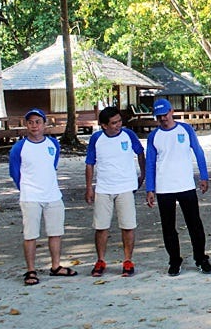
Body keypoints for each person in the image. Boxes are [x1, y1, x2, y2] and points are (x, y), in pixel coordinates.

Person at [145, 98, 211, 276]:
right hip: (164, 187)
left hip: (186, 185)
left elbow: (198, 152)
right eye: (159, 116)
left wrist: (204, 176)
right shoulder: (154, 136)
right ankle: (174, 260)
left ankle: (201, 258)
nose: (163, 119)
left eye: (165, 114)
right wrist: (150, 189)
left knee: (195, 224)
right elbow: (150, 163)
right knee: (168, 227)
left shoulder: (186, 129)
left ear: (171, 112)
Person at [9, 108, 78, 286]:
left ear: (44, 124)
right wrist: (26, 188)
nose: (34, 126)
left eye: (38, 122)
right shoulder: (19, 147)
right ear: (26, 125)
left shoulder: (53, 144)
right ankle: (31, 270)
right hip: (31, 196)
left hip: (52, 194)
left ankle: (56, 266)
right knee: (30, 234)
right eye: (30, 122)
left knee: (55, 232)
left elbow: (52, 165)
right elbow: (14, 171)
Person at [85, 106, 146, 277]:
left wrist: (143, 174)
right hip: (104, 188)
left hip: (126, 187)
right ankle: (100, 260)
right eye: (113, 123)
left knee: (128, 225)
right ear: (104, 125)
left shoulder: (129, 135)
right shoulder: (96, 138)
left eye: (119, 121)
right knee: (101, 227)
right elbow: (89, 163)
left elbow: (140, 153)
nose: (118, 125)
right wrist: (89, 187)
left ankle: (127, 260)